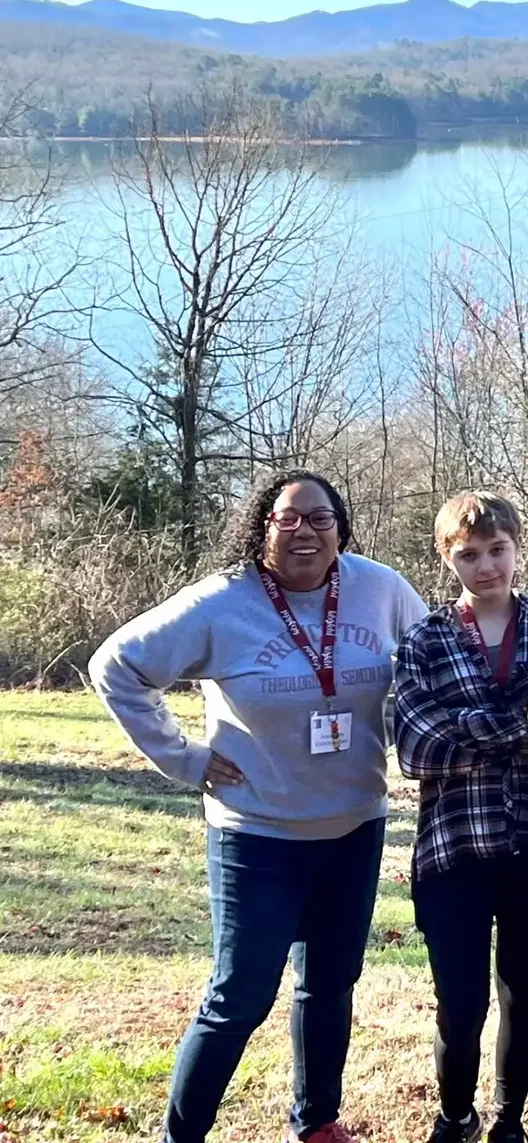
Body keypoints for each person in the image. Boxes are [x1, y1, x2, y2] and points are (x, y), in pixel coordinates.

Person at [88, 470, 428, 1143]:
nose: (305, 531)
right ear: (262, 527)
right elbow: (116, 666)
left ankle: (316, 1121)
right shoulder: (223, 601)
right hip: (258, 834)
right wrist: (182, 759)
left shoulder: (381, 588)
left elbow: (428, 663)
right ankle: (181, 1137)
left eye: (320, 519)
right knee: (239, 996)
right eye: (287, 519)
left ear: (343, 528)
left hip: (354, 825)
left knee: (330, 984)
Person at [394, 491, 528, 1143]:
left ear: (518, 548)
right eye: (469, 554)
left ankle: (508, 1121)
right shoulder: (424, 639)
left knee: (525, 993)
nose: (486, 566)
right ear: (447, 557)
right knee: (462, 1005)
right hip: (452, 849)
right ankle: (455, 1116)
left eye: (497, 550)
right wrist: (520, 724)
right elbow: (413, 747)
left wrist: (464, 728)